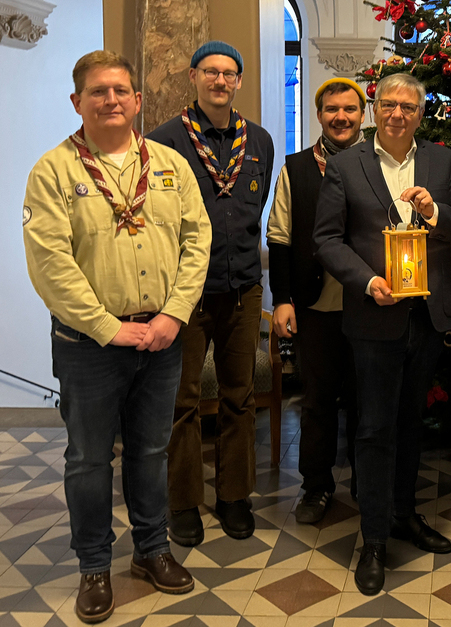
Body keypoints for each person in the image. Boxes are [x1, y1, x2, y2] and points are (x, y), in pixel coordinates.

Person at [22, 50, 211, 623]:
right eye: (98, 91)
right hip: (89, 346)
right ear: (77, 101)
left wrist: (174, 315)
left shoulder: (170, 165)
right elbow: (51, 264)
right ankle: (94, 566)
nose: (111, 100)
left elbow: (197, 240)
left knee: (151, 452)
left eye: (120, 90)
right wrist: (109, 328)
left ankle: (152, 550)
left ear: (137, 100)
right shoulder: (53, 171)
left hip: (161, 337)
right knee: (88, 460)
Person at [312, 73, 451, 595]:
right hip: (374, 316)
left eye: (408, 106)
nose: (397, 114)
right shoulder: (346, 165)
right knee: (374, 428)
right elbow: (327, 239)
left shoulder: (443, 163)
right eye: (388, 104)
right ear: (374, 109)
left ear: (420, 114)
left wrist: (433, 211)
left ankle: (404, 514)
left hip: (427, 317)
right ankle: (375, 538)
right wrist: (367, 282)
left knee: (411, 422)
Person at [148, 41, 275, 546]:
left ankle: (234, 495)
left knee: (239, 396)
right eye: (210, 72)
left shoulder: (259, 141)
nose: (220, 81)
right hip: (184, 294)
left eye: (228, 73)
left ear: (238, 81)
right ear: (193, 77)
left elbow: (255, 211)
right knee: (180, 402)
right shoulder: (163, 141)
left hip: (243, 287)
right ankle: (183, 501)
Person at [266, 78, 364, 523]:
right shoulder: (296, 168)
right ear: (319, 114)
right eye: (331, 109)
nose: (340, 117)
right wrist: (282, 299)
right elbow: (280, 237)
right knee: (318, 401)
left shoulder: (376, 162)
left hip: (368, 302)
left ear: (362, 114)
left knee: (365, 400)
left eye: (350, 109)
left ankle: (366, 481)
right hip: (314, 302)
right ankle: (316, 485)